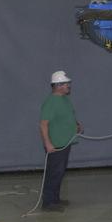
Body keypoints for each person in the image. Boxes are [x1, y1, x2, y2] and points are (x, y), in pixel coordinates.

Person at [39, 70, 82, 212]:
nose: (69, 85)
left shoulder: (64, 99)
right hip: (56, 144)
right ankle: (48, 203)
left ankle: (55, 199)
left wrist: (76, 125)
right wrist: (48, 143)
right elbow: (43, 124)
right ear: (58, 86)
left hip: (65, 142)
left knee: (59, 172)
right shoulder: (51, 102)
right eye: (66, 84)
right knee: (54, 172)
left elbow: (68, 116)